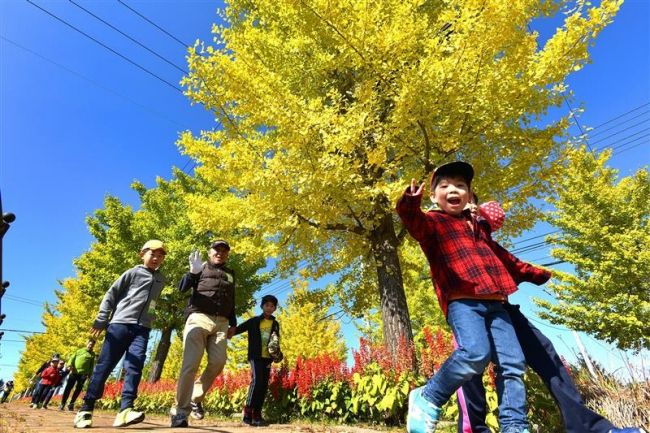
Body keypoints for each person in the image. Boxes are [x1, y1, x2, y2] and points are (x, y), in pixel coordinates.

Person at [456, 197, 647, 433]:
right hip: (468, 310)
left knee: (545, 353)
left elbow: (508, 260)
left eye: (473, 201)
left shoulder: (484, 237)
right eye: (466, 202)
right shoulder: (444, 227)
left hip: (502, 308)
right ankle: (472, 429)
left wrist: (540, 274)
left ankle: (587, 427)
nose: (471, 206)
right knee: (471, 365)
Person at [396, 161, 551, 433]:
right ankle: (428, 397)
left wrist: (535, 274)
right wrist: (410, 202)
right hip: (463, 300)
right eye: (444, 186)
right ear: (434, 197)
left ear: (469, 195)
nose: (453, 190)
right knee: (474, 353)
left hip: (497, 303)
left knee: (513, 365)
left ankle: (515, 427)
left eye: (460, 186)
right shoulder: (433, 223)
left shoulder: (479, 229)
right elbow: (414, 222)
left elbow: (506, 259)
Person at [73, 240, 166, 429]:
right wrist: (101, 319)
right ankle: (85, 409)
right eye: (152, 254)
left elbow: (152, 303)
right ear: (142, 254)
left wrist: (150, 318)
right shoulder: (132, 273)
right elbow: (111, 294)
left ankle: (125, 409)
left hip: (142, 328)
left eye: (160, 255)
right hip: (120, 325)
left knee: (135, 365)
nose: (156, 258)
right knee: (104, 367)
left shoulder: (161, 279)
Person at [169, 240, 237, 428]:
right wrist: (193, 272)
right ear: (210, 252)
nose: (220, 253)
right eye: (217, 250)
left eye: (224, 251)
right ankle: (180, 412)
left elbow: (232, 299)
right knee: (190, 365)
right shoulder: (200, 268)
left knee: (218, 361)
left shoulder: (231, 274)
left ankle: (196, 397)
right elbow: (181, 288)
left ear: (227, 255)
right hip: (199, 318)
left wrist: (233, 323)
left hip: (222, 322)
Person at [235, 294, 282, 426]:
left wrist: (277, 354)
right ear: (262, 306)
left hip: (268, 358)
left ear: (274, 308)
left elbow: (276, 341)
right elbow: (238, 329)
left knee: (263, 385)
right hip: (255, 356)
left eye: (272, 306)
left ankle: (257, 413)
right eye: (267, 305)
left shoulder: (275, 324)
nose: (269, 308)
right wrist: (224, 331)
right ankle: (248, 413)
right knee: (256, 382)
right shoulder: (254, 321)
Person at [59, 339, 96, 411]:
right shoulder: (79, 351)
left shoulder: (92, 354)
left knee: (78, 389)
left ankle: (71, 404)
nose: (90, 346)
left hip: (83, 375)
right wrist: (69, 365)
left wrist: (90, 374)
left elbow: (92, 365)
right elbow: (72, 358)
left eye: (92, 345)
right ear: (87, 343)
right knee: (68, 388)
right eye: (90, 344)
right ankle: (62, 403)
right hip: (74, 372)